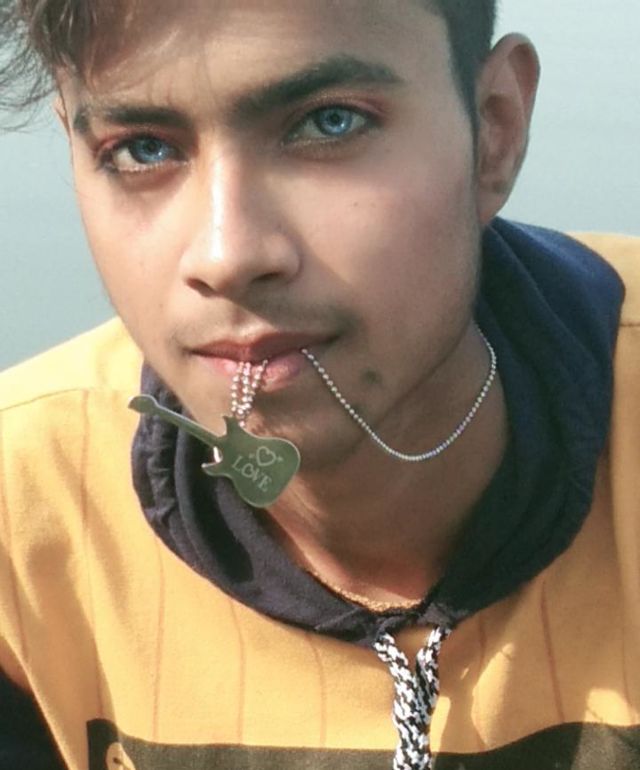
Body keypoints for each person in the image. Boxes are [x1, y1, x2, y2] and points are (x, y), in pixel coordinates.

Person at [0, 1, 638, 768]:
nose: (228, 256)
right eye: (142, 148)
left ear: (495, 129)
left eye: (329, 123)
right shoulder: (22, 517)